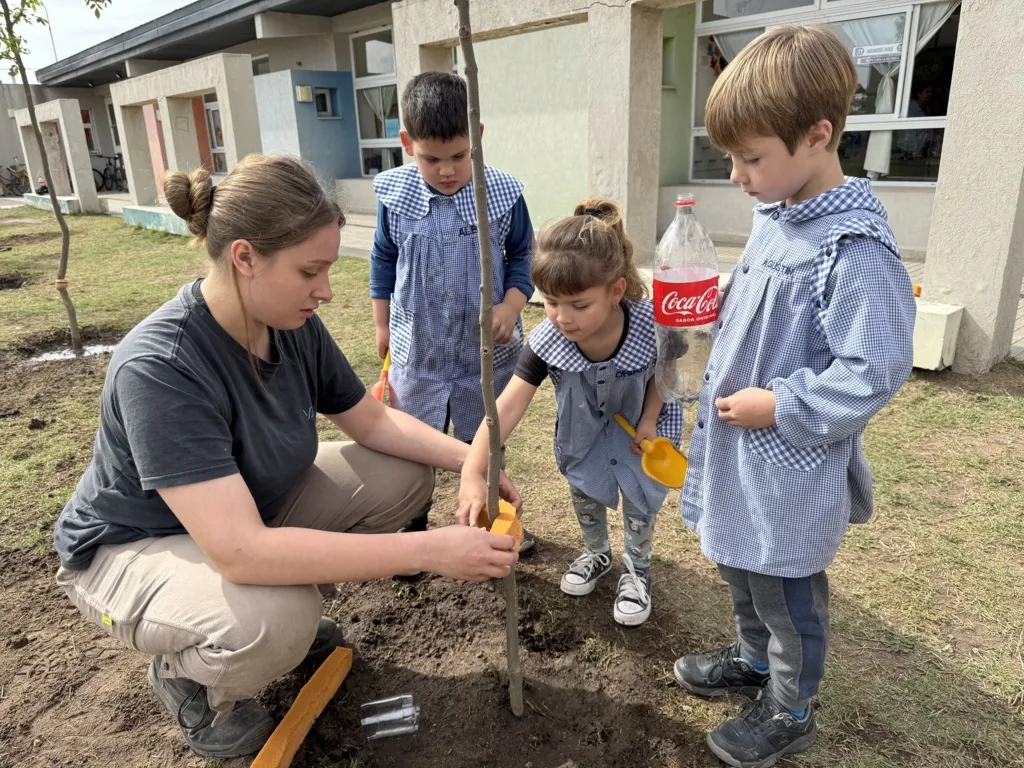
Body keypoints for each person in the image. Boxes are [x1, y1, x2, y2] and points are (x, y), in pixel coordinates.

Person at [51, 154, 522, 760]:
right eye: (311, 271)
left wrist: (475, 463)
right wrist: (428, 551)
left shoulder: (288, 322)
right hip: (130, 545)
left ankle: (269, 613)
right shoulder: (162, 367)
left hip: (239, 510)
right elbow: (239, 550)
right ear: (245, 258)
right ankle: (189, 676)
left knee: (402, 474)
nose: (326, 291)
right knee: (275, 619)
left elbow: (372, 420)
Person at [671, 26, 916, 768]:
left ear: (817, 135)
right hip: (742, 459)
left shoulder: (853, 249)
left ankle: (791, 705)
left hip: (788, 464)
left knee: (786, 592)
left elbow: (872, 371)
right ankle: (752, 663)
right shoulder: (778, 217)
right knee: (742, 569)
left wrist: (779, 404)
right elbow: (769, 309)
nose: (738, 176)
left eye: (751, 159)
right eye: (730, 158)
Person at [458, 200, 683, 627]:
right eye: (551, 303)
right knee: (586, 493)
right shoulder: (548, 340)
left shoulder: (650, 324)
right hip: (584, 437)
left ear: (616, 291)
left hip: (640, 434)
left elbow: (668, 371)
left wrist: (651, 417)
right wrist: (473, 469)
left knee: (640, 503)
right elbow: (506, 406)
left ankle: (638, 572)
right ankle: (596, 553)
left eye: (579, 305)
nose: (563, 317)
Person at [369, 72, 536, 549]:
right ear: (407, 144)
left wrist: (510, 303)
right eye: (432, 158)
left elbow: (523, 255)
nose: (447, 170)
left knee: (483, 444)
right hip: (418, 350)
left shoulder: (501, 194)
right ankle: (412, 525)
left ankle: (491, 521)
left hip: (482, 351)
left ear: (477, 136)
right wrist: (382, 323)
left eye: (459, 156)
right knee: (413, 445)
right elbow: (383, 259)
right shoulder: (394, 196)